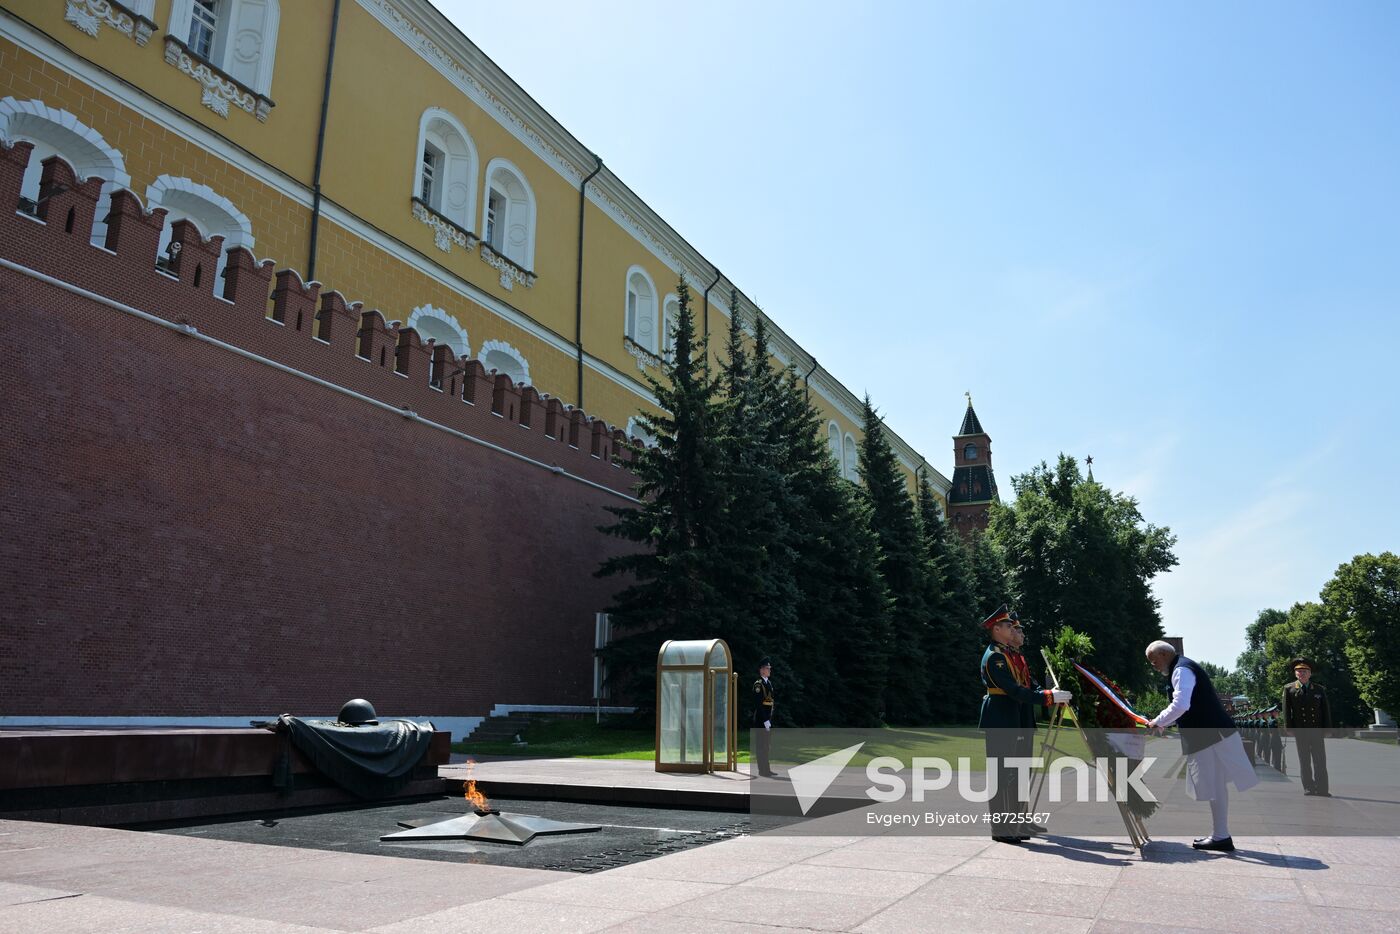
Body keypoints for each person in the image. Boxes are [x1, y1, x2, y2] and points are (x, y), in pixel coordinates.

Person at [1145, 640, 1258, 851]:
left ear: (1163, 655)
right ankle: (1221, 835)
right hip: (1213, 733)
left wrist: (1158, 721)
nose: (1154, 666)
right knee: (1216, 785)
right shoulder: (1182, 667)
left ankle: (1221, 835)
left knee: (1214, 784)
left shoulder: (1181, 670)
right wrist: (1161, 723)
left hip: (1210, 735)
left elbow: (1181, 704)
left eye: (1153, 661)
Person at [979, 605, 1071, 843]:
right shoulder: (996, 657)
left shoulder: (1009, 654)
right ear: (996, 629)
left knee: (1018, 773)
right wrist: (1048, 698)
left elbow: (1029, 685)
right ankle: (1001, 829)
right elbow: (1013, 690)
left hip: (1016, 718)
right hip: (1002, 718)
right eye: (1008, 626)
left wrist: (1050, 693)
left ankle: (1017, 823)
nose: (1013, 629)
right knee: (1003, 774)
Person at [1282, 658, 1332, 796]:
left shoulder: (1318, 689)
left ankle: (1322, 789)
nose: (1301, 674)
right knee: (1304, 760)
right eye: (1298, 671)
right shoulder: (1289, 689)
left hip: (1316, 730)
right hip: (1301, 730)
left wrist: (1327, 728)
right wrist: (1289, 727)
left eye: (1304, 671)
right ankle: (1308, 787)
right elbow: (1287, 711)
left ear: (1310, 673)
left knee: (1320, 760)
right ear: (1295, 674)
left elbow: (1325, 710)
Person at [752, 657, 779, 778]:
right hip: (761, 720)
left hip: (768, 719)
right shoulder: (759, 684)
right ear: (762, 670)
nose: (769, 670)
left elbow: (771, 703)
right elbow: (759, 704)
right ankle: (762, 770)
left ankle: (766, 769)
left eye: (769, 668)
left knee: (766, 746)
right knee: (761, 746)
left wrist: (770, 719)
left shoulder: (769, 683)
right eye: (767, 668)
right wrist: (765, 721)